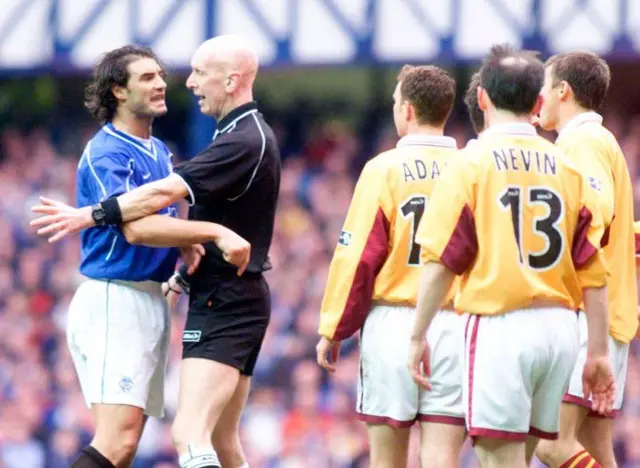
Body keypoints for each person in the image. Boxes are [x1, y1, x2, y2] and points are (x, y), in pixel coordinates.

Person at [31, 35, 280, 468]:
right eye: (148, 77)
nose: (166, 83)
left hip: (150, 300)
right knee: (120, 442)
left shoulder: (160, 152)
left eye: (161, 74)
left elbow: (163, 218)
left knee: (133, 445)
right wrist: (207, 232)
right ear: (118, 91)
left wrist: (184, 241)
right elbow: (137, 229)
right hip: (115, 297)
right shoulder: (105, 151)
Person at [406, 44, 616, 468]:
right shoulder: (568, 167)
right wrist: (596, 352)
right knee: (527, 455)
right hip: (559, 331)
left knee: (499, 460)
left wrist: (417, 335)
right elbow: (593, 270)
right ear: (539, 102)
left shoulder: (470, 164)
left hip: (501, 327)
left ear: (482, 98)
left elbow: (441, 261)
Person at [316, 65, 466, 468]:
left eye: (397, 101)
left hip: (395, 322)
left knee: (387, 459)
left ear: (409, 111)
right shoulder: (473, 168)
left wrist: (335, 327)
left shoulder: (383, 168)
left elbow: (359, 255)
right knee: (441, 455)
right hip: (456, 320)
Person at [534, 51, 638, 468]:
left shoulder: (581, 141)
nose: (537, 98)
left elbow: (589, 218)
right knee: (597, 451)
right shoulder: (598, 140)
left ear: (563, 91)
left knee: (551, 443)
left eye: (543, 87)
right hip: (607, 315)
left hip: (586, 317)